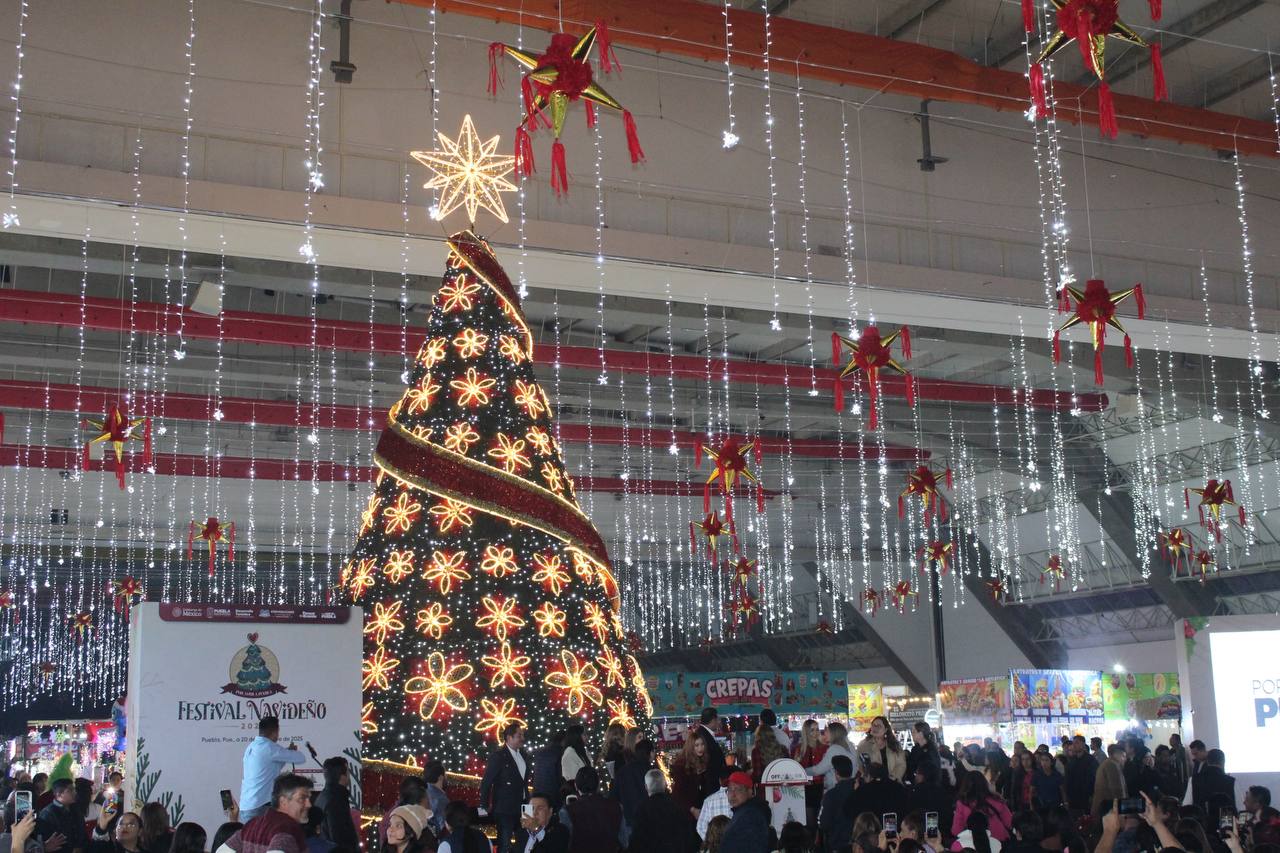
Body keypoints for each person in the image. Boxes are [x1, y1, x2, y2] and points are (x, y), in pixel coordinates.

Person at [217, 774, 313, 853]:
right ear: (283, 801)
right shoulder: (287, 828)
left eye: (309, 798)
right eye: (302, 799)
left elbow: (222, 851)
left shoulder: (252, 824)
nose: (309, 804)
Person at [480, 723, 532, 853]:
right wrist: (484, 805)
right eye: (519, 735)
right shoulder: (498, 757)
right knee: (505, 844)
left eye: (523, 735)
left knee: (527, 842)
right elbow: (487, 782)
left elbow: (524, 781)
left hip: (525, 806)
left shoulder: (524, 755)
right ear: (509, 737)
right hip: (505, 808)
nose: (522, 738)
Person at [238, 717, 300, 822]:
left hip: (247, 806)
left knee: (250, 838)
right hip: (260, 806)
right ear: (275, 732)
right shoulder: (268, 747)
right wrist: (290, 753)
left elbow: (272, 767)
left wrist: (287, 753)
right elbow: (297, 758)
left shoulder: (252, 747)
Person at [628, 770, 695, 853]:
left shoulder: (641, 810)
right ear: (665, 784)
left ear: (646, 786)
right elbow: (687, 836)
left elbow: (636, 840)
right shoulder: (677, 806)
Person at [562, 767, 620, 853]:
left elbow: (564, 842)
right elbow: (624, 839)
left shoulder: (568, 811)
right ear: (598, 784)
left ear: (576, 785)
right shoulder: (615, 806)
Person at [614, 739, 656, 845]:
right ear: (650, 753)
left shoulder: (622, 771)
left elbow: (614, 796)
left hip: (629, 820)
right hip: (649, 822)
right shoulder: (651, 772)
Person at [952, 771, 1012, 842]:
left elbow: (956, 831)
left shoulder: (962, 803)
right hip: (1001, 840)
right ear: (984, 783)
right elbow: (1009, 822)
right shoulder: (996, 799)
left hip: (976, 844)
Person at [313, 757, 358, 852]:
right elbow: (339, 837)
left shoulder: (324, 796)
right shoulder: (336, 800)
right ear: (343, 776)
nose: (350, 776)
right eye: (348, 772)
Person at [720, 772, 770, 853]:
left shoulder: (750, 815)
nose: (733, 794)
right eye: (729, 789)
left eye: (738, 789)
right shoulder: (743, 812)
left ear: (749, 792)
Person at [804, 722, 860, 792]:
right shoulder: (850, 746)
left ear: (833, 733)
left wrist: (803, 771)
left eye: (827, 731)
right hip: (850, 786)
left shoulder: (835, 749)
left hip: (836, 788)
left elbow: (819, 770)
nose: (824, 733)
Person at [817, 755, 855, 853]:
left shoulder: (831, 795)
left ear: (836, 773)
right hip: (856, 843)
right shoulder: (858, 791)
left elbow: (824, 823)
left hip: (836, 843)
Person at [793, 720, 826, 831]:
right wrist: (797, 761)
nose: (816, 732)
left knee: (818, 820)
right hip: (804, 788)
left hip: (820, 786)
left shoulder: (824, 748)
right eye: (812, 730)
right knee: (808, 822)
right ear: (806, 732)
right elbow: (794, 769)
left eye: (817, 729)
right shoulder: (799, 749)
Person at [36, 780, 86, 853]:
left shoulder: (76, 809)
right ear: (59, 794)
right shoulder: (47, 814)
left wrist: (79, 846)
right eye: (71, 790)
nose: (75, 793)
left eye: (74, 789)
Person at [672, 730, 712, 819]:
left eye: (702, 744)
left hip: (702, 808)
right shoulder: (682, 765)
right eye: (696, 745)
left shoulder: (705, 761)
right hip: (686, 811)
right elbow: (678, 793)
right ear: (691, 747)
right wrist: (692, 809)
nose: (700, 748)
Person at [857, 717, 907, 783]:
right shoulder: (863, 745)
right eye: (873, 725)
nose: (875, 728)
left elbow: (901, 764)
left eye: (879, 726)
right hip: (871, 783)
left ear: (886, 729)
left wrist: (892, 778)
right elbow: (859, 764)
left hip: (892, 783)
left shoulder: (894, 745)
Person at [1091, 745, 1127, 819]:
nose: (1125, 759)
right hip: (1107, 809)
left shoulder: (1107, 763)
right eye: (1123, 756)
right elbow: (1117, 790)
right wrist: (1124, 810)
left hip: (1104, 807)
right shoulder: (1112, 765)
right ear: (1116, 755)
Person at [697, 768, 734, 842]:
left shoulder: (709, 801)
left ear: (720, 781)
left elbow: (700, 827)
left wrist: (711, 842)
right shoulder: (740, 798)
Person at [750, 718, 789, 787]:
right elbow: (789, 767)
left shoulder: (756, 751)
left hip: (765, 788)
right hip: (784, 786)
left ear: (758, 736)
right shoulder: (783, 749)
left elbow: (757, 775)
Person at [697, 709, 728, 794]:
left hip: (710, 782)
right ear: (713, 720)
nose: (718, 722)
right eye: (717, 719)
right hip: (708, 784)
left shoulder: (704, 733)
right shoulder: (702, 735)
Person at [532, 733, 565, 810]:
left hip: (537, 791)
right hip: (553, 793)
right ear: (563, 741)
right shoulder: (561, 753)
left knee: (536, 819)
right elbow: (560, 775)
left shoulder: (540, 752)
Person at [1063, 737, 1095, 813]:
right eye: (1073, 743)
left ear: (1083, 744)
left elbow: (1093, 779)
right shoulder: (1071, 761)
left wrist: (1091, 795)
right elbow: (1067, 779)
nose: (1074, 745)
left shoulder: (1091, 760)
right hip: (1073, 797)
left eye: (1077, 743)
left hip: (1086, 797)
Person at [560, 727, 590, 794]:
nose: (587, 737)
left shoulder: (583, 751)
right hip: (577, 794)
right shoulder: (569, 754)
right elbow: (573, 778)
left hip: (586, 792)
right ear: (577, 737)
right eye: (584, 735)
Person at [423, 761, 449, 837]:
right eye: (445, 774)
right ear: (441, 777)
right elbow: (443, 828)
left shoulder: (421, 791)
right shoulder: (441, 800)